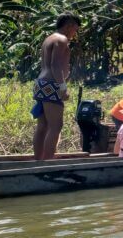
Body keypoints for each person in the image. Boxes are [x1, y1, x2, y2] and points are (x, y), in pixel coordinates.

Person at [32, 13, 81, 160]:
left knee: (43, 126)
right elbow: (55, 65)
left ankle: (39, 160)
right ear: (69, 26)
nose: (75, 33)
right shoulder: (61, 39)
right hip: (52, 84)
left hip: (41, 83)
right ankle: (47, 162)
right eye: (75, 29)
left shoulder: (49, 38)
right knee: (55, 126)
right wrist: (62, 86)